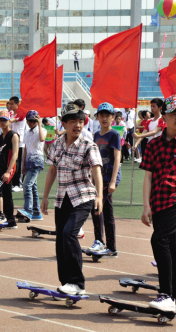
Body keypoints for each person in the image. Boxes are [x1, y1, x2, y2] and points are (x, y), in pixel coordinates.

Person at [140, 95, 176, 315]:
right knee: (172, 249)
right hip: (159, 202)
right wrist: (146, 206)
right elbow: (148, 177)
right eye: (174, 114)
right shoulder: (153, 144)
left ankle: (166, 294)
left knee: (159, 240)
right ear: (163, 116)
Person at [41, 104, 103, 295]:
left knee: (69, 233)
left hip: (83, 196)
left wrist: (99, 196)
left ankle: (77, 283)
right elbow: (52, 170)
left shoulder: (88, 145)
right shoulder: (57, 144)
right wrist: (44, 197)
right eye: (73, 121)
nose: (77, 125)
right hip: (62, 198)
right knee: (61, 239)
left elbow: (96, 170)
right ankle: (66, 282)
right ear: (64, 124)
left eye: (80, 121)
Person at [87, 103, 121, 257]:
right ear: (97, 117)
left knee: (97, 208)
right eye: (102, 115)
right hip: (99, 178)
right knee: (107, 212)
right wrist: (92, 181)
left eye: (108, 115)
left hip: (109, 177)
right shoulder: (96, 135)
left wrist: (113, 181)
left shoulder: (114, 135)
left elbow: (117, 158)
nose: (105, 118)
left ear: (113, 117)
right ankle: (112, 248)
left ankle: (99, 242)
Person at [0, 110, 19, 228]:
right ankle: (11, 221)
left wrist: (8, 171)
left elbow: (15, 155)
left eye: (5, 120)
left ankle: (0, 214)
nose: (2, 122)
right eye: (0, 120)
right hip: (0, 170)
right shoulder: (0, 137)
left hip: (8, 170)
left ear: (9, 121)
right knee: (7, 195)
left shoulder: (13, 135)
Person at [21, 110, 46, 221]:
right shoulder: (27, 132)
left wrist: (40, 124)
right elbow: (26, 148)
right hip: (29, 161)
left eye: (33, 121)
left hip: (37, 161)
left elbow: (42, 138)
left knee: (27, 185)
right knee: (33, 187)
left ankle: (28, 210)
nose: (30, 123)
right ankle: (36, 213)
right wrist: (23, 164)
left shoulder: (42, 130)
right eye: (29, 121)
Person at [8, 97, 26, 192]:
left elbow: (17, 119)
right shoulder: (10, 114)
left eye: (11, 104)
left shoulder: (21, 113)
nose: (10, 105)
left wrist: (9, 121)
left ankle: (19, 184)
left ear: (17, 104)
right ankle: (13, 182)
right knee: (13, 163)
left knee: (19, 163)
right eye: (9, 104)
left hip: (20, 142)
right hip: (12, 141)